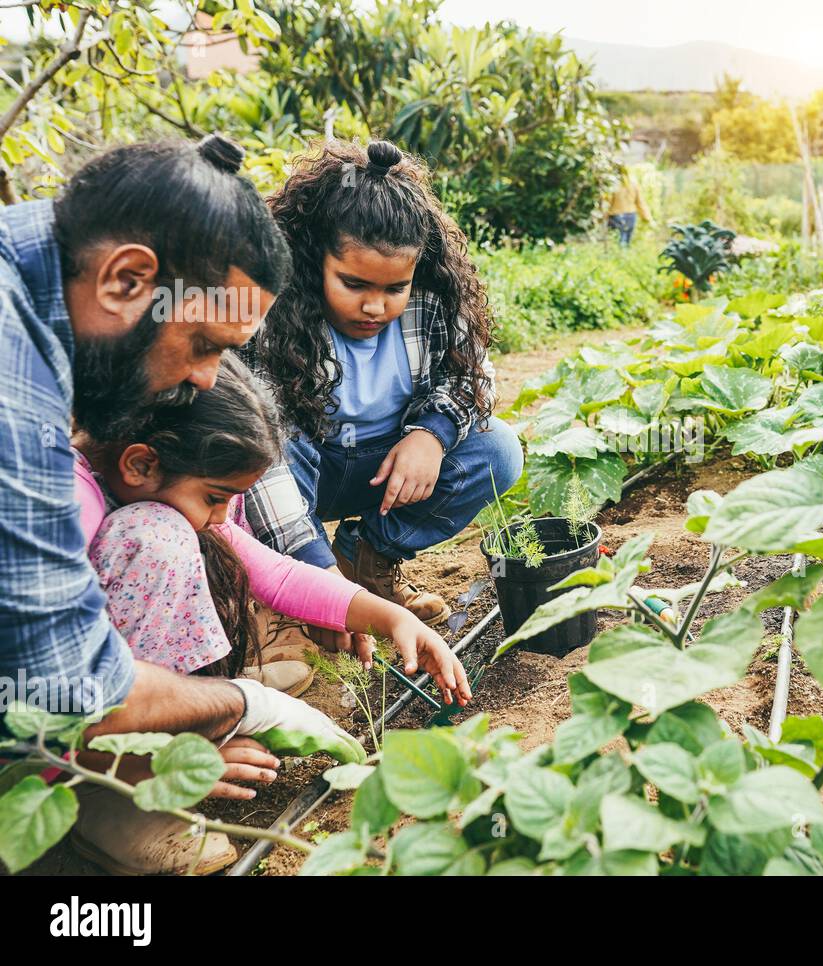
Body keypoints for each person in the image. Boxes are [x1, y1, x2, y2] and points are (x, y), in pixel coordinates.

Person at [0, 135, 444, 874]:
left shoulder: (40, 259)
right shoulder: (17, 408)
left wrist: (369, 609)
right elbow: (73, 689)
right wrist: (243, 705)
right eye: (204, 343)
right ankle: (105, 816)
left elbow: (253, 551)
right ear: (127, 280)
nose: (207, 381)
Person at [74, 354, 473, 710]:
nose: (219, 516)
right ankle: (161, 720)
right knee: (161, 536)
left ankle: (173, 711)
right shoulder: (74, 504)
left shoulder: (158, 491)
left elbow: (278, 576)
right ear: (141, 464)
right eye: (214, 497)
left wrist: (392, 620)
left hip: (115, 696)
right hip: (77, 716)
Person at [243, 140, 522, 642]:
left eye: (395, 289)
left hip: (386, 471)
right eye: (354, 285)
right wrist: (318, 584)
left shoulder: (435, 299)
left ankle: (367, 559)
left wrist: (431, 436)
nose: (376, 306)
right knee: (257, 450)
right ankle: (288, 596)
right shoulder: (273, 309)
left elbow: (473, 377)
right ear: (314, 262)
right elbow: (260, 449)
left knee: (497, 449)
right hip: (300, 475)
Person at [605, 165, 652, 247]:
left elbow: (607, 202)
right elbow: (640, 202)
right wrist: (646, 217)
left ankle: (619, 258)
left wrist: (603, 215)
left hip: (616, 216)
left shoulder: (613, 185)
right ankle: (625, 257)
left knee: (617, 243)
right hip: (631, 216)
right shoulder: (633, 184)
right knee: (626, 242)